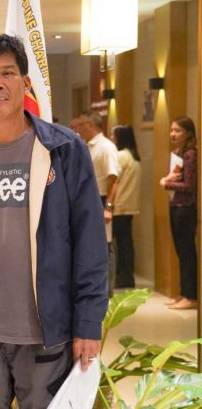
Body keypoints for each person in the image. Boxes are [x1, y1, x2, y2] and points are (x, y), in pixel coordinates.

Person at [0, 34, 108, 408]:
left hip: (47, 337)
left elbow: (91, 244)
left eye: (7, 73)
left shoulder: (63, 150)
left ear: (25, 83)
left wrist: (88, 324)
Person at [72, 112, 119, 294]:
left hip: (101, 199)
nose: (76, 129)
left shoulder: (105, 147)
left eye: (80, 125)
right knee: (92, 244)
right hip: (89, 198)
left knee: (105, 246)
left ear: (90, 125)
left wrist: (108, 207)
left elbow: (114, 179)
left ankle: (107, 291)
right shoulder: (87, 146)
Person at [160, 116, 198, 310]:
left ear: (188, 134)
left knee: (187, 251)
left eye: (178, 131)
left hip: (186, 208)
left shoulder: (191, 154)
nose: (173, 134)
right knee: (180, 252)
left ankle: (191, 296)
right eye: (172, 130)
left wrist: (166, 183)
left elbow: (190, 186)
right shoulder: (178, 153)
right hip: (175, 205)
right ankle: (184, 292)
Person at [109, 125, 141, 288]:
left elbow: (113, 180)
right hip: (130, 206)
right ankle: (127, 278)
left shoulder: (121, 156)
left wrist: (108, 204)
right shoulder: (133, 156)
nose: (111, 138)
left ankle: (119, 278)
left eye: (113, 135)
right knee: (126, 244)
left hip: (118, 206)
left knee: (111, 244)